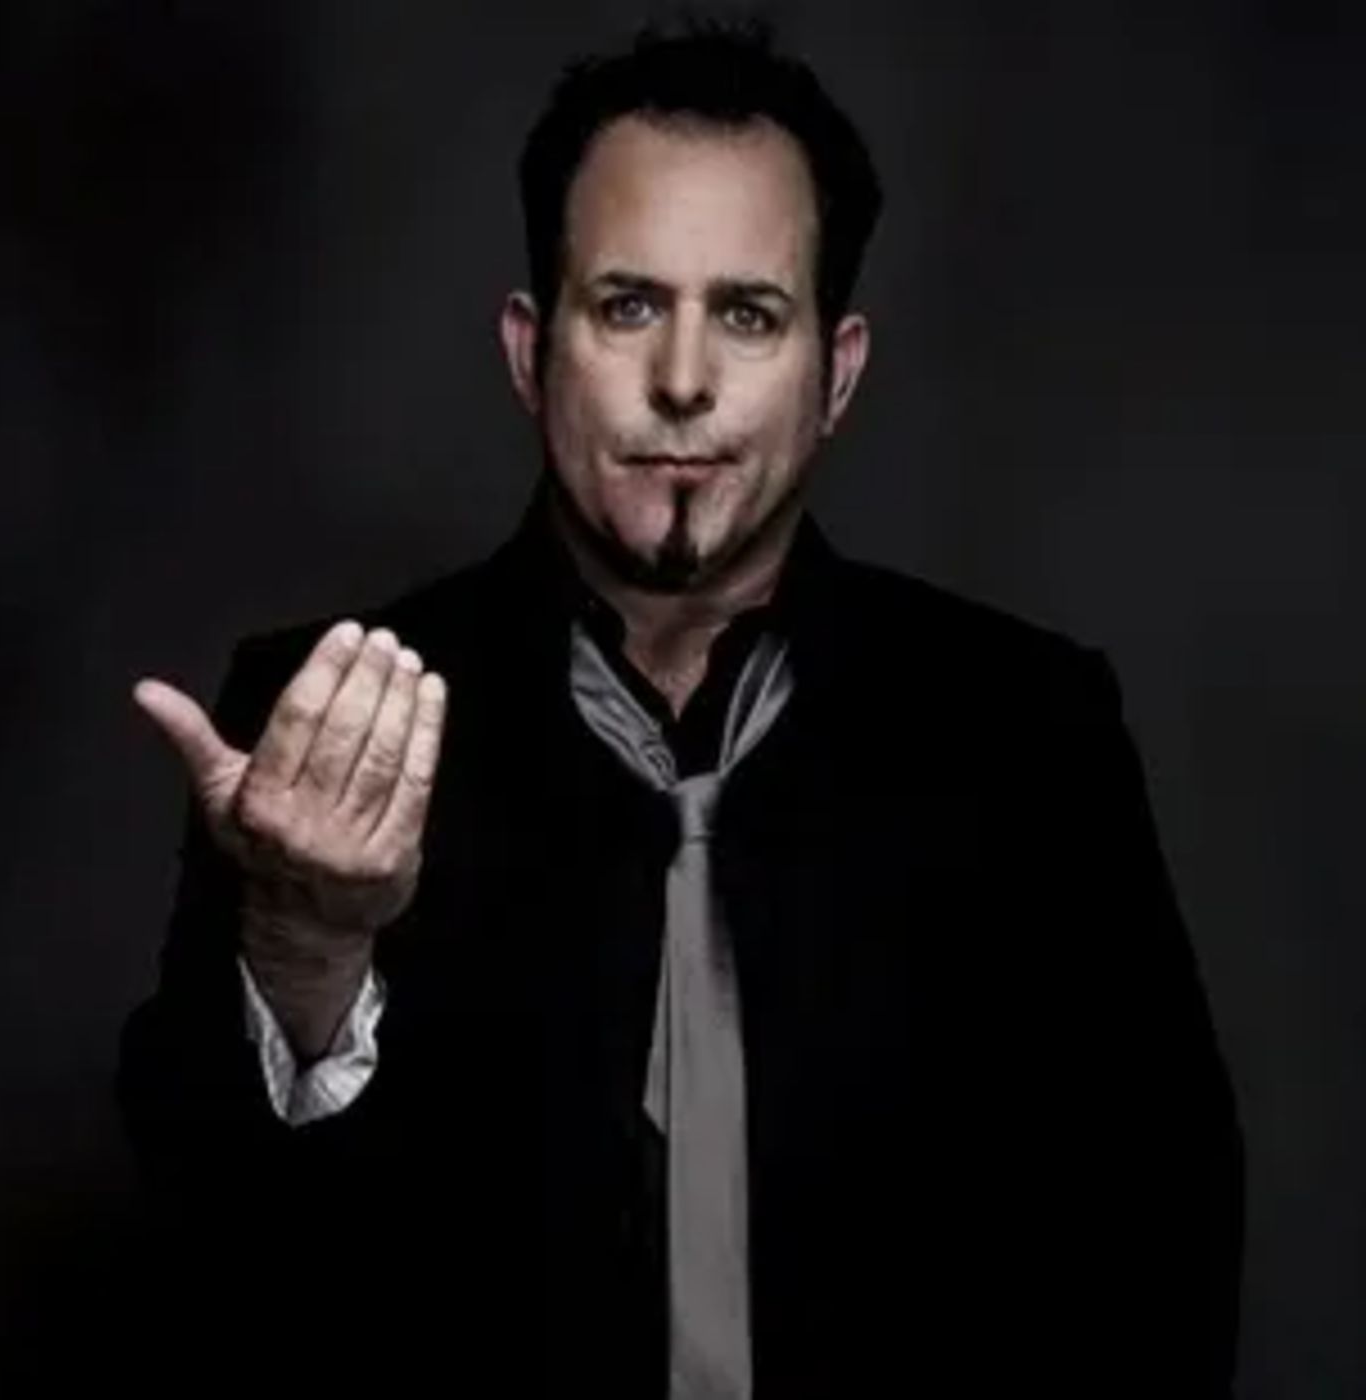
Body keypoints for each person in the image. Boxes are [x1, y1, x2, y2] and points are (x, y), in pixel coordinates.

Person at [119, 19, 1242, 1397]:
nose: (685, 381)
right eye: (629, 306)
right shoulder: (320, 719)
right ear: (531, 350)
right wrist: (306, 949)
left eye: (749, 314)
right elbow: (207, 1270)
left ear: (837, 372)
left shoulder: (1031, 731)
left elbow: (1163, 1246)